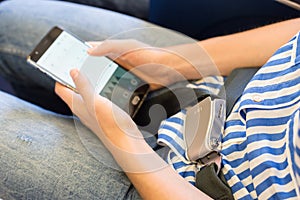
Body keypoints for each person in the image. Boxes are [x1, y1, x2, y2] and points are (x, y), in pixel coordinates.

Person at [0, 0, 299, 199]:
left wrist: (122, 140)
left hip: (177, 183)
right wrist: (174, 63)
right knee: (8, 18)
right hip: (220, 84)